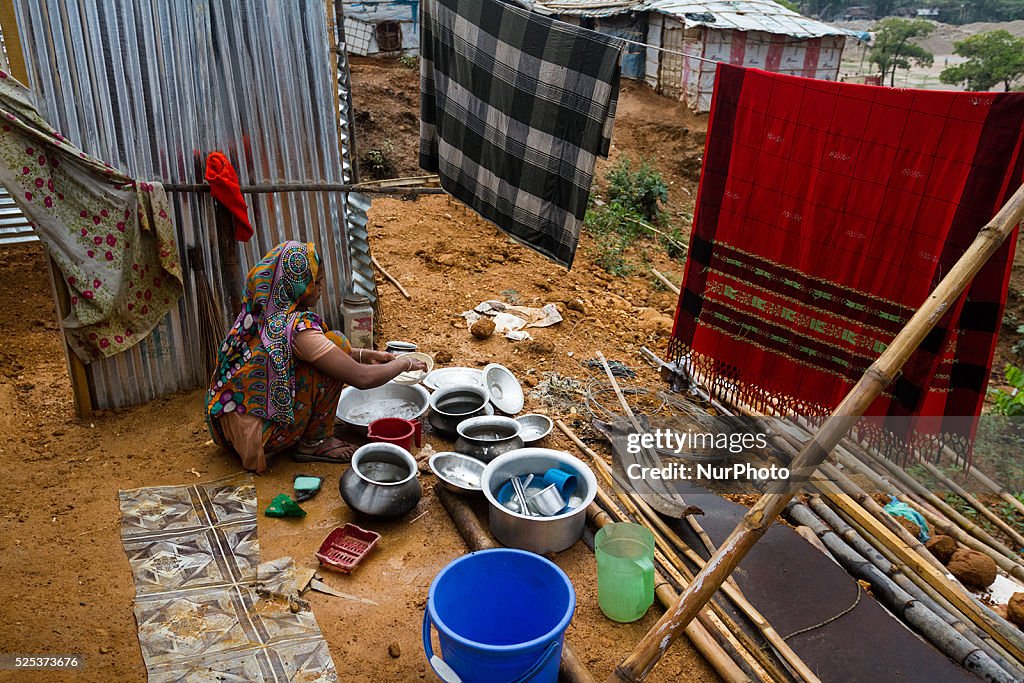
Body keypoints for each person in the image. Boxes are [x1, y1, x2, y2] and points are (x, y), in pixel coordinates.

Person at [205, 241, 427, 473]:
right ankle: (314, 443)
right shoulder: (298, 330)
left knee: (334, 344)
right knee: (331, 357)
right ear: (298, 285)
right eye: (317, 282)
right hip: (260, 437)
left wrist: (367, 354)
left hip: (232, 426)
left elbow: (329, 351)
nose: (321, 287)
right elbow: (362, 379)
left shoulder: (263, 312)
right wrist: (404, 363)